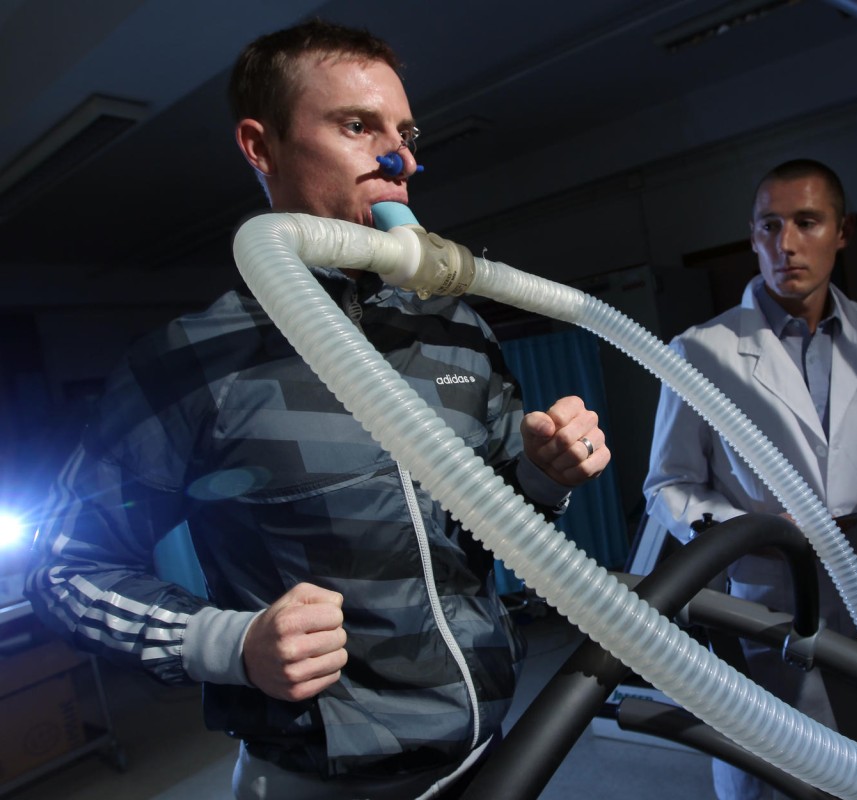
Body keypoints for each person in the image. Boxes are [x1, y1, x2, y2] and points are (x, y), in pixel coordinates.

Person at [25, 19, 610, 800]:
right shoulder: (193, 362)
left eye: (405, 132)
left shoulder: (455, 327)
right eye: (358, 125)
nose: (399, 157)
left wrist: (544, 475)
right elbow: (65, 570)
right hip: (323, 776)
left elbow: (497, 515)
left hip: (490, 744)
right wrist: (228, 642)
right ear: (260, 147)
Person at [643, 158, 857, 799]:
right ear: (752, 236)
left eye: (807, 222)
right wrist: (750, 531)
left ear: (842, 231)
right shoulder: (703, 349)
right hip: (764, 609)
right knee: (770, 779)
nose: (786, 244)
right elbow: (667, 486)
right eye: (769, 226)